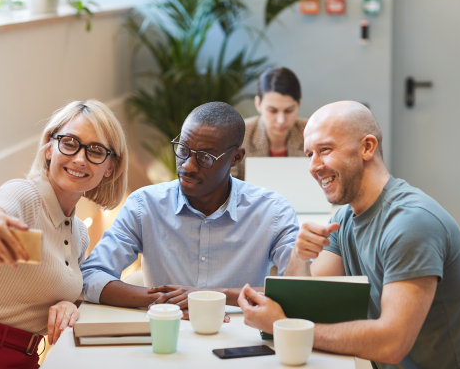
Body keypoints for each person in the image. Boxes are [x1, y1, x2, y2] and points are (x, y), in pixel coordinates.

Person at [238, 101, 460, 368]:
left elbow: (391, 343)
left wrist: (283, 326)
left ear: (367, 147)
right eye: (309, 154)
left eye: (325, 150)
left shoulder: (412, 223)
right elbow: (306, 303)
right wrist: (299, 256)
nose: (314, 166)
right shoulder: (344, 219)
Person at [0, 100, 128, 369]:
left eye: (95, 150)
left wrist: (70, 305)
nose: (80, 159)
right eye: (69, 143)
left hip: (26, 359)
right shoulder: (23, 195)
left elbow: (58, 288)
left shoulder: (80, 232)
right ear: (49, 148)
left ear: (110, 167)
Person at [81, 101, 298, 314]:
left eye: (205, 157)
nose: (187, 166)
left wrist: (209, 297)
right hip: (165, 333)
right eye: (183, 149)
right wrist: (164, 300)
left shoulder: (273, 212)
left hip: (242, 336)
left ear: (236, 158)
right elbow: (92, 275)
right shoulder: (144, 205)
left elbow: (299, 288)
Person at [231, 67, 307, 180]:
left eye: (289, 110)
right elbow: (228, 186)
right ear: (258, 104)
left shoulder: (312, 133)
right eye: (272, 111)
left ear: (299, 104)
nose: (281, 120)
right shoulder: (238, 135)